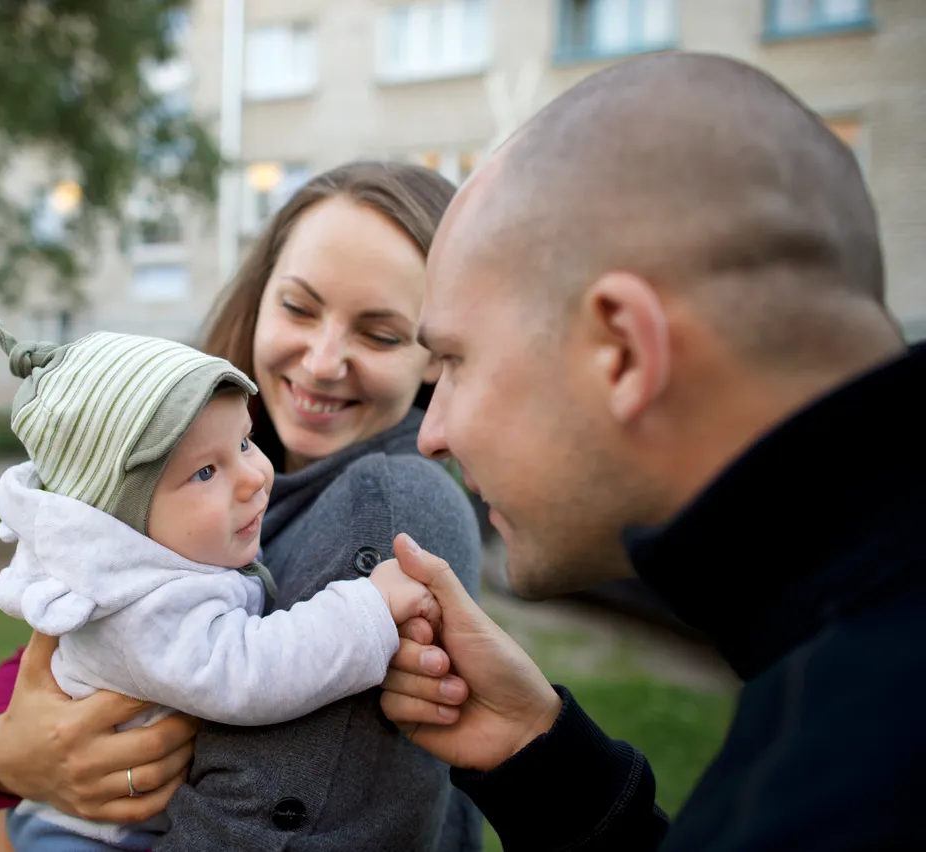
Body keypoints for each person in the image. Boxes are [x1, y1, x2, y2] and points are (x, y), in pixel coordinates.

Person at [379, 51, 926, 850]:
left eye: (455, 362)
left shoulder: (841, 782)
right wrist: (536, 752)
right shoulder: (857, 664)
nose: (433, 431)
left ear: (624, 352)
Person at [0, 161, 486, 851]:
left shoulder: (388, 509)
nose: (323, 361)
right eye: (298, 307)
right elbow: (42, 656)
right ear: (260, 300)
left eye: (380, 334)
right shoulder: (187, 451)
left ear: (437, 352)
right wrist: (8, 754)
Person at [0, 321, 441, 851]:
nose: (252, 476)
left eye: (245, 442)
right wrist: (368, 608)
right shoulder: (142, 609)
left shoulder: (162, 556)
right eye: (205, 472)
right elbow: (250, 670)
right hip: (78, 835)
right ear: (124, 518)